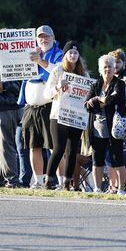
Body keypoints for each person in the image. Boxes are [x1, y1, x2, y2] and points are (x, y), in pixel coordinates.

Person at [18, 25, 64, 189]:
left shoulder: (59, 54)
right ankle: (38, 181)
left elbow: (59, 71)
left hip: (49, 106)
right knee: (33, 146)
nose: (43, 40)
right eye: (40, 37)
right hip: (31, 107)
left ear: (53, 38)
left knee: (54, 147)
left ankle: (61, 182)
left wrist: (40, 61)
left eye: (46, 37)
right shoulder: (29, 53)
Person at [43, 41, 88, 190]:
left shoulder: (83, 73)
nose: (73, 55)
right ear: (65, 54)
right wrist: (57, 87)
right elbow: (46, 94)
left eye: (76, 53)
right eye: (70, 52)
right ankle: (48, 180)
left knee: (72, 150)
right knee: (58, 148)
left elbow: (89, 92)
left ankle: (67, 184)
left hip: (76, 116)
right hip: (58, 115)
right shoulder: (57, 71)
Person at [85, 54, 126, 194]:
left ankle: (121, 189)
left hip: (114, 129)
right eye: (105, 67)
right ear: (100, 69)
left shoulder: (119, 84)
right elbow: (87, 105)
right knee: (97, 161)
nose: (107, 69)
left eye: (110, 66)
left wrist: (97, 100)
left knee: (117, 160)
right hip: (96, 129)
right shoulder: (95, 85)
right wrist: (99, 100)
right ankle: (97, 188)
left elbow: (114, 99)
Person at [0, 60, 24, 188]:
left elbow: (22, 83)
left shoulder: (18, 58)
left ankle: (12, 179)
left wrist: (6, 86)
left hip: (9, 106)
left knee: (5, 144)